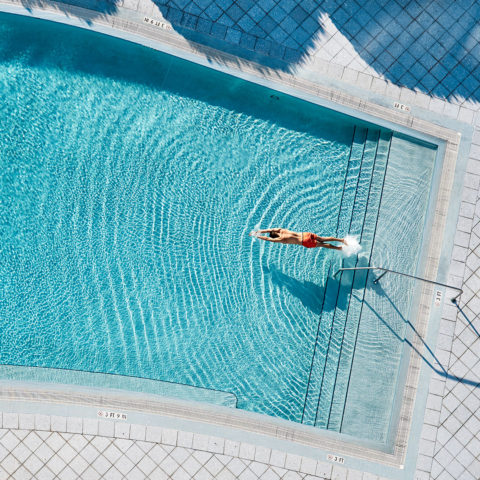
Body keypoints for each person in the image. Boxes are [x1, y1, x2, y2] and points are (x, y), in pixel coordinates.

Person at [250, 228, 346, 250]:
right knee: (322, 238)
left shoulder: (281, 239)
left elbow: (267, 239)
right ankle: (341, 240)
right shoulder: (281, 230)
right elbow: (269, 230)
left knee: (322, 244)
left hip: (304, 241)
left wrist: (257, 236)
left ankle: (339, 248)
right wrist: (257, 231)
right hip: (306, 234)